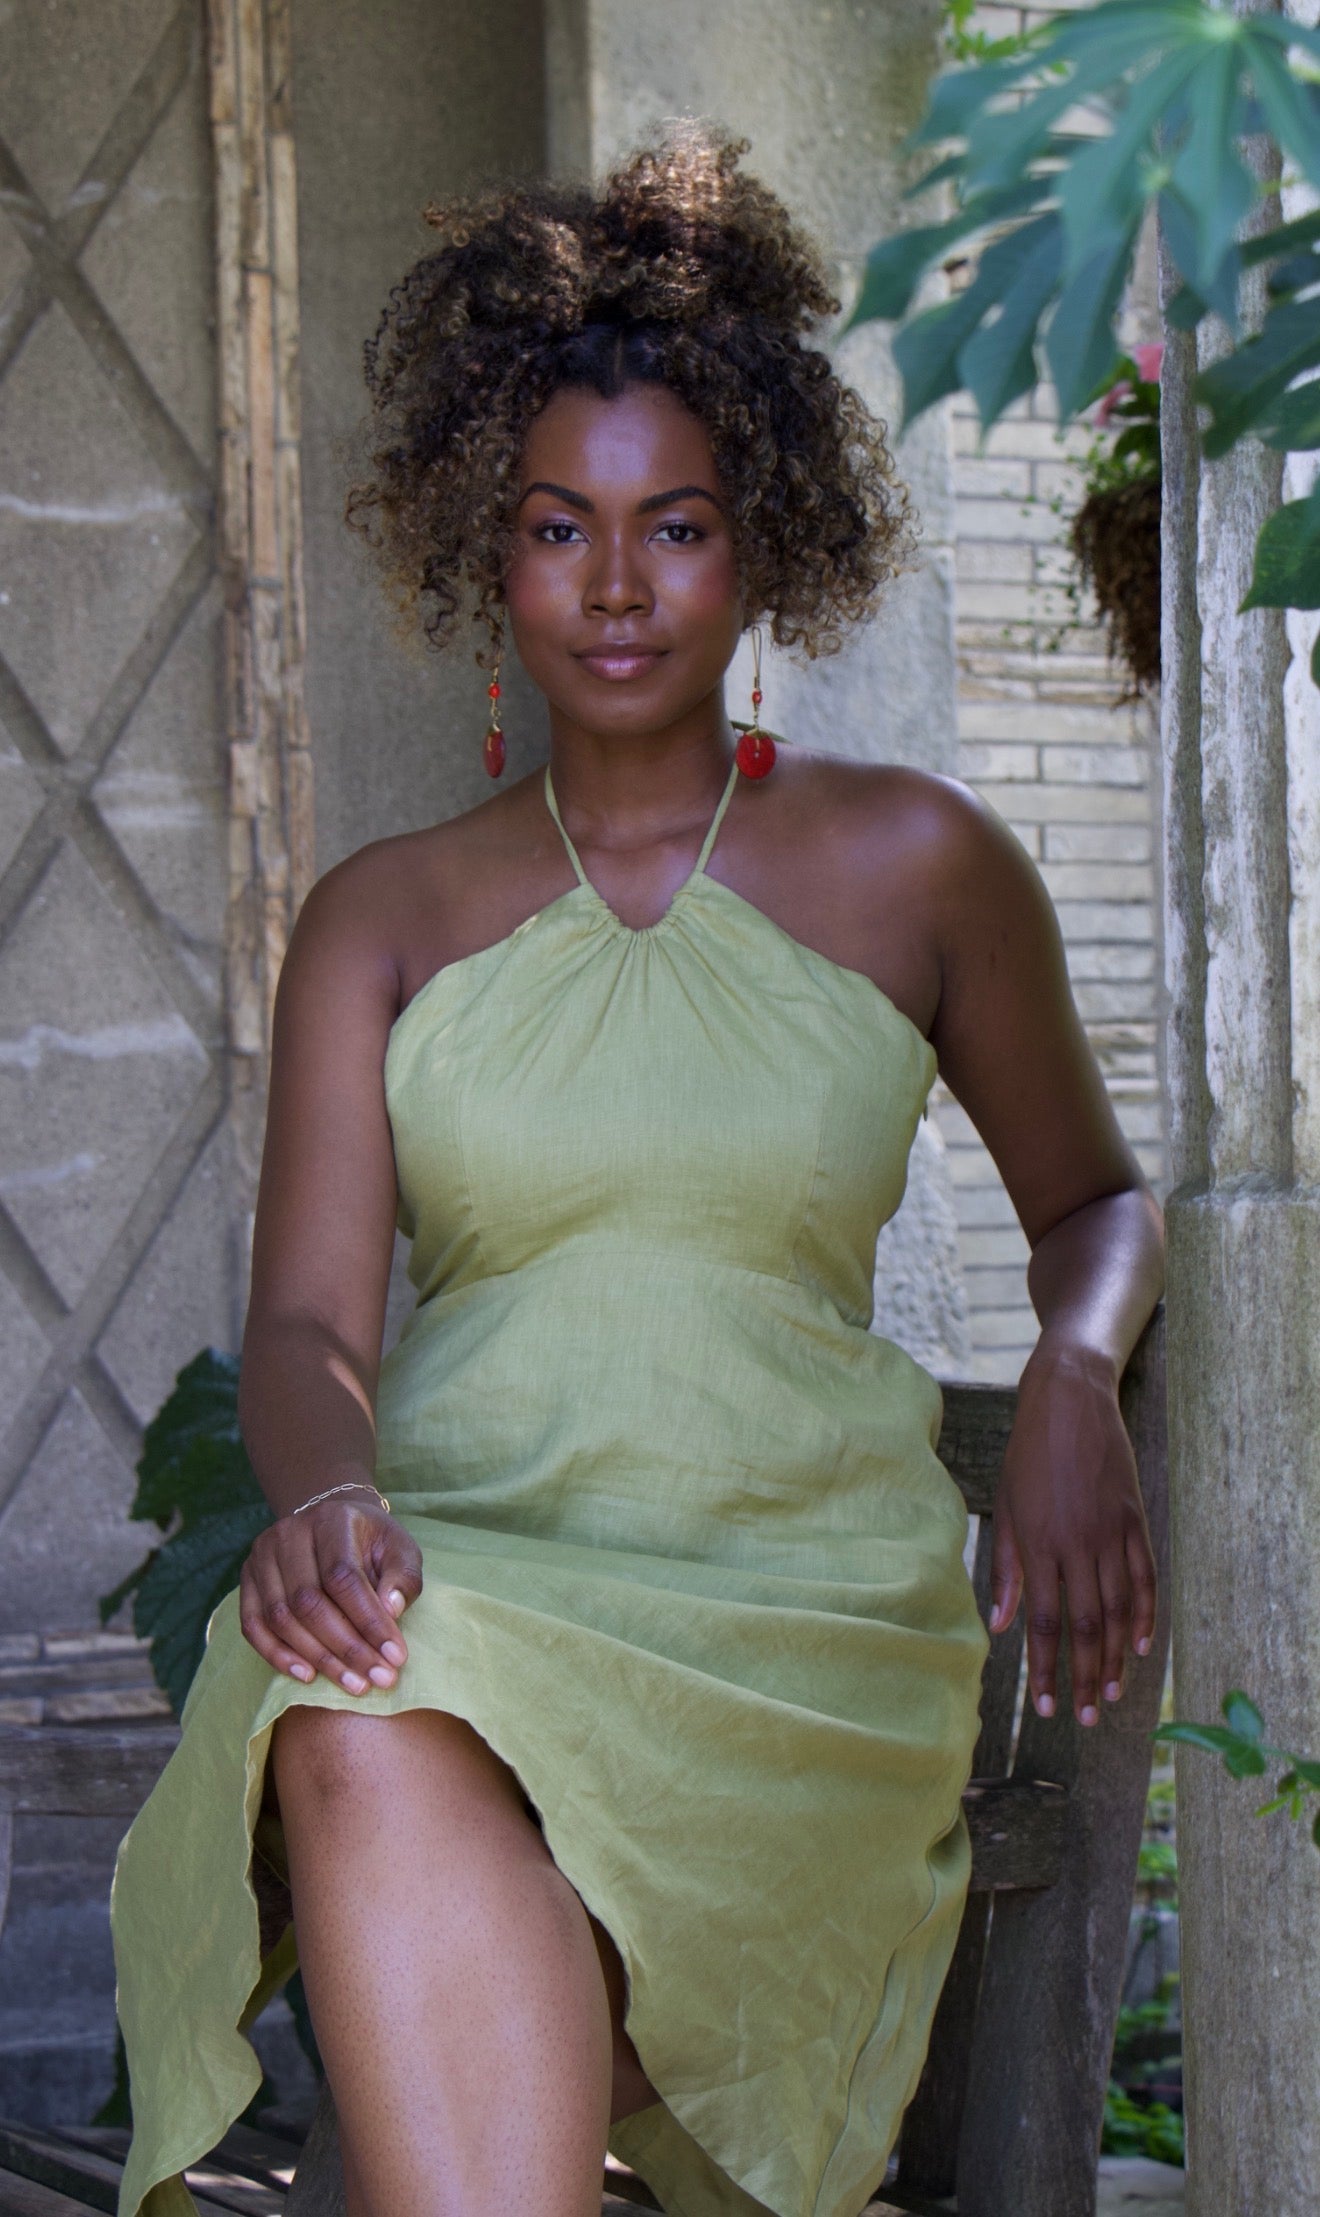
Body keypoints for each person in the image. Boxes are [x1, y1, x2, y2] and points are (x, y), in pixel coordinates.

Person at [109, 121, 1164, 2217]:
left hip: (792, 1613)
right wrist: (325, 1495)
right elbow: (307, 1323)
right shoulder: (383, 913)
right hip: (467, 1577)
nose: (614, 585)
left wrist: (1075, 1364)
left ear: (762, 536)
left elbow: (1099, 1203)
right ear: (484, 550)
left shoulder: (920, 863)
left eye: (674, 525)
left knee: (388, 1848)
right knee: (354, 1707)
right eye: (557, 528)